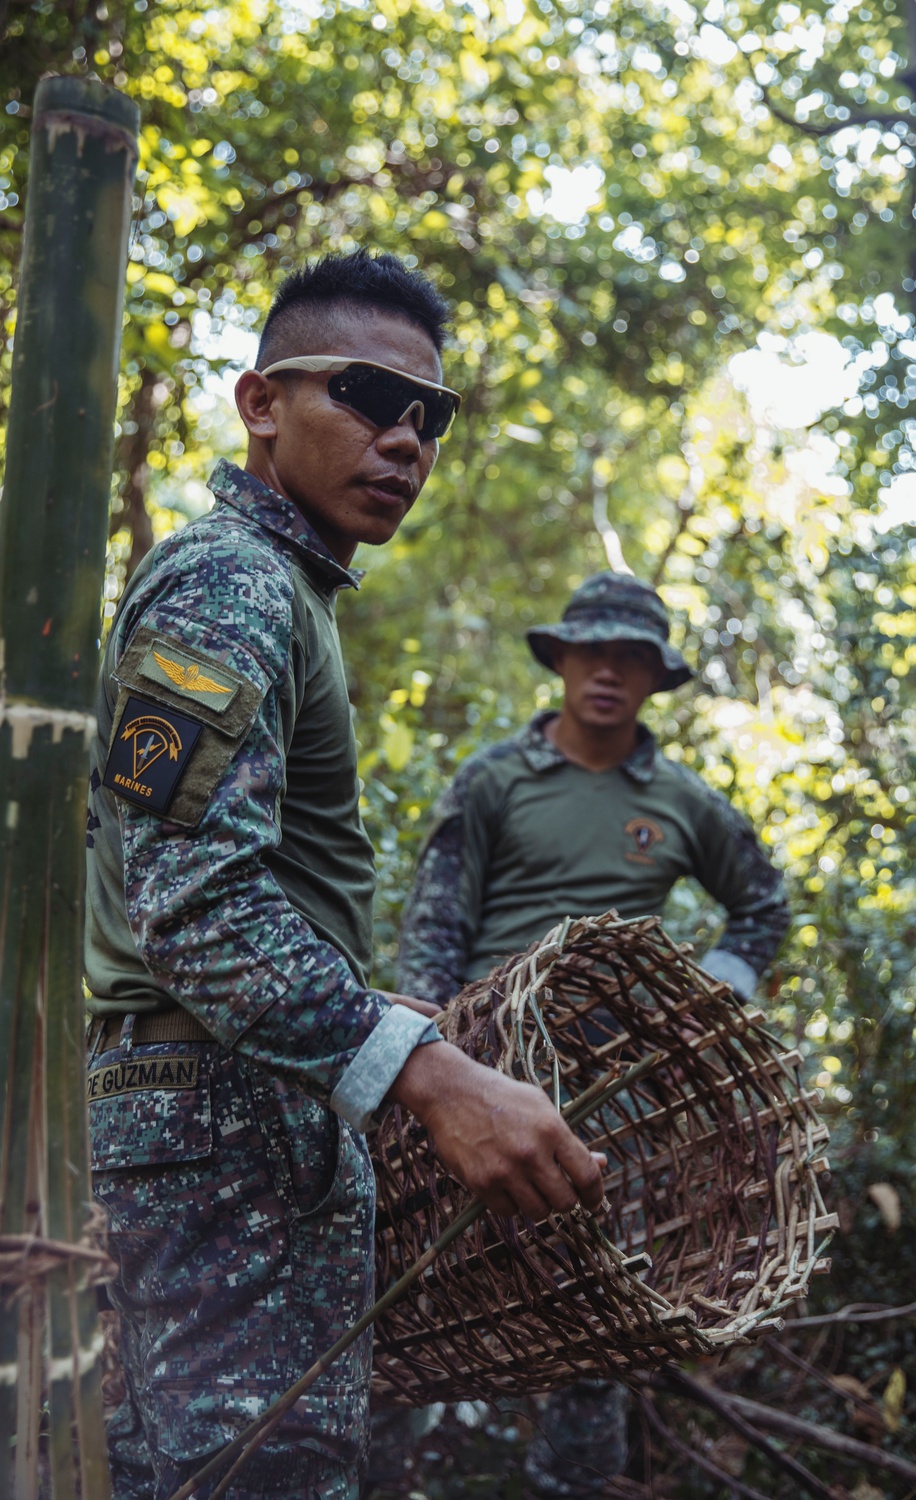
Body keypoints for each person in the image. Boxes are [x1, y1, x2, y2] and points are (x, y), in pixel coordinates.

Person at [84, 250, 604, 1500]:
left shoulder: (290, 591)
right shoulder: (230, 579)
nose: (407, 441)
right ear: (261, 402)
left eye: (430, 415)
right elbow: (192, 903)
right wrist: (421, 1072)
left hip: (242, 1109)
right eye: (368, 398)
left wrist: (377, 1015)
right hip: (212, 1116)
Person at [394, 571, 790, 1498]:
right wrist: (427, 1056)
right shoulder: (494, 779)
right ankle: (414, 1475)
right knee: (428, 1280)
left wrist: (714, 990)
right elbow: (436, 925)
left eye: (632, 659)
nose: (608, 672)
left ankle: (573, 1484)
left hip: (613, 1089)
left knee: (598, 1308)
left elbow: (761, 906)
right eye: (593, 652)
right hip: (479, 1069)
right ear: (561, 660)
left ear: (657, 678)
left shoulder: (684, 800)